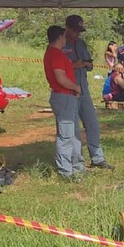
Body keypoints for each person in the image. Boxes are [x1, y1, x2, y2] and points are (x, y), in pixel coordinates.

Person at [62, 14, 113, 170]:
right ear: (67, 28)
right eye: (75, 30)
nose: (78, 33)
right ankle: (78, 163)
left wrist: (87, 65)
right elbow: (58, 67)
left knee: (92, 123)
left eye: (80, 31)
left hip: (84, 89)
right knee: (74, 129)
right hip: (68, 91)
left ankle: (97, 158)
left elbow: (88, 63)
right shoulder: (60, 44)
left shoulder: (81, 44)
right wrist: (74, 65)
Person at [43, 25, 84, 180]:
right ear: (60, 37)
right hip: (64, 96)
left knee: (73, 133)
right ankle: (65, 171)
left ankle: (76, 165)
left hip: (67, 96)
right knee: (66, 135)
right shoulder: (56, 55)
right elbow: (60, 78)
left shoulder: (53, 53)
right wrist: (76, 87)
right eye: (64, 37)